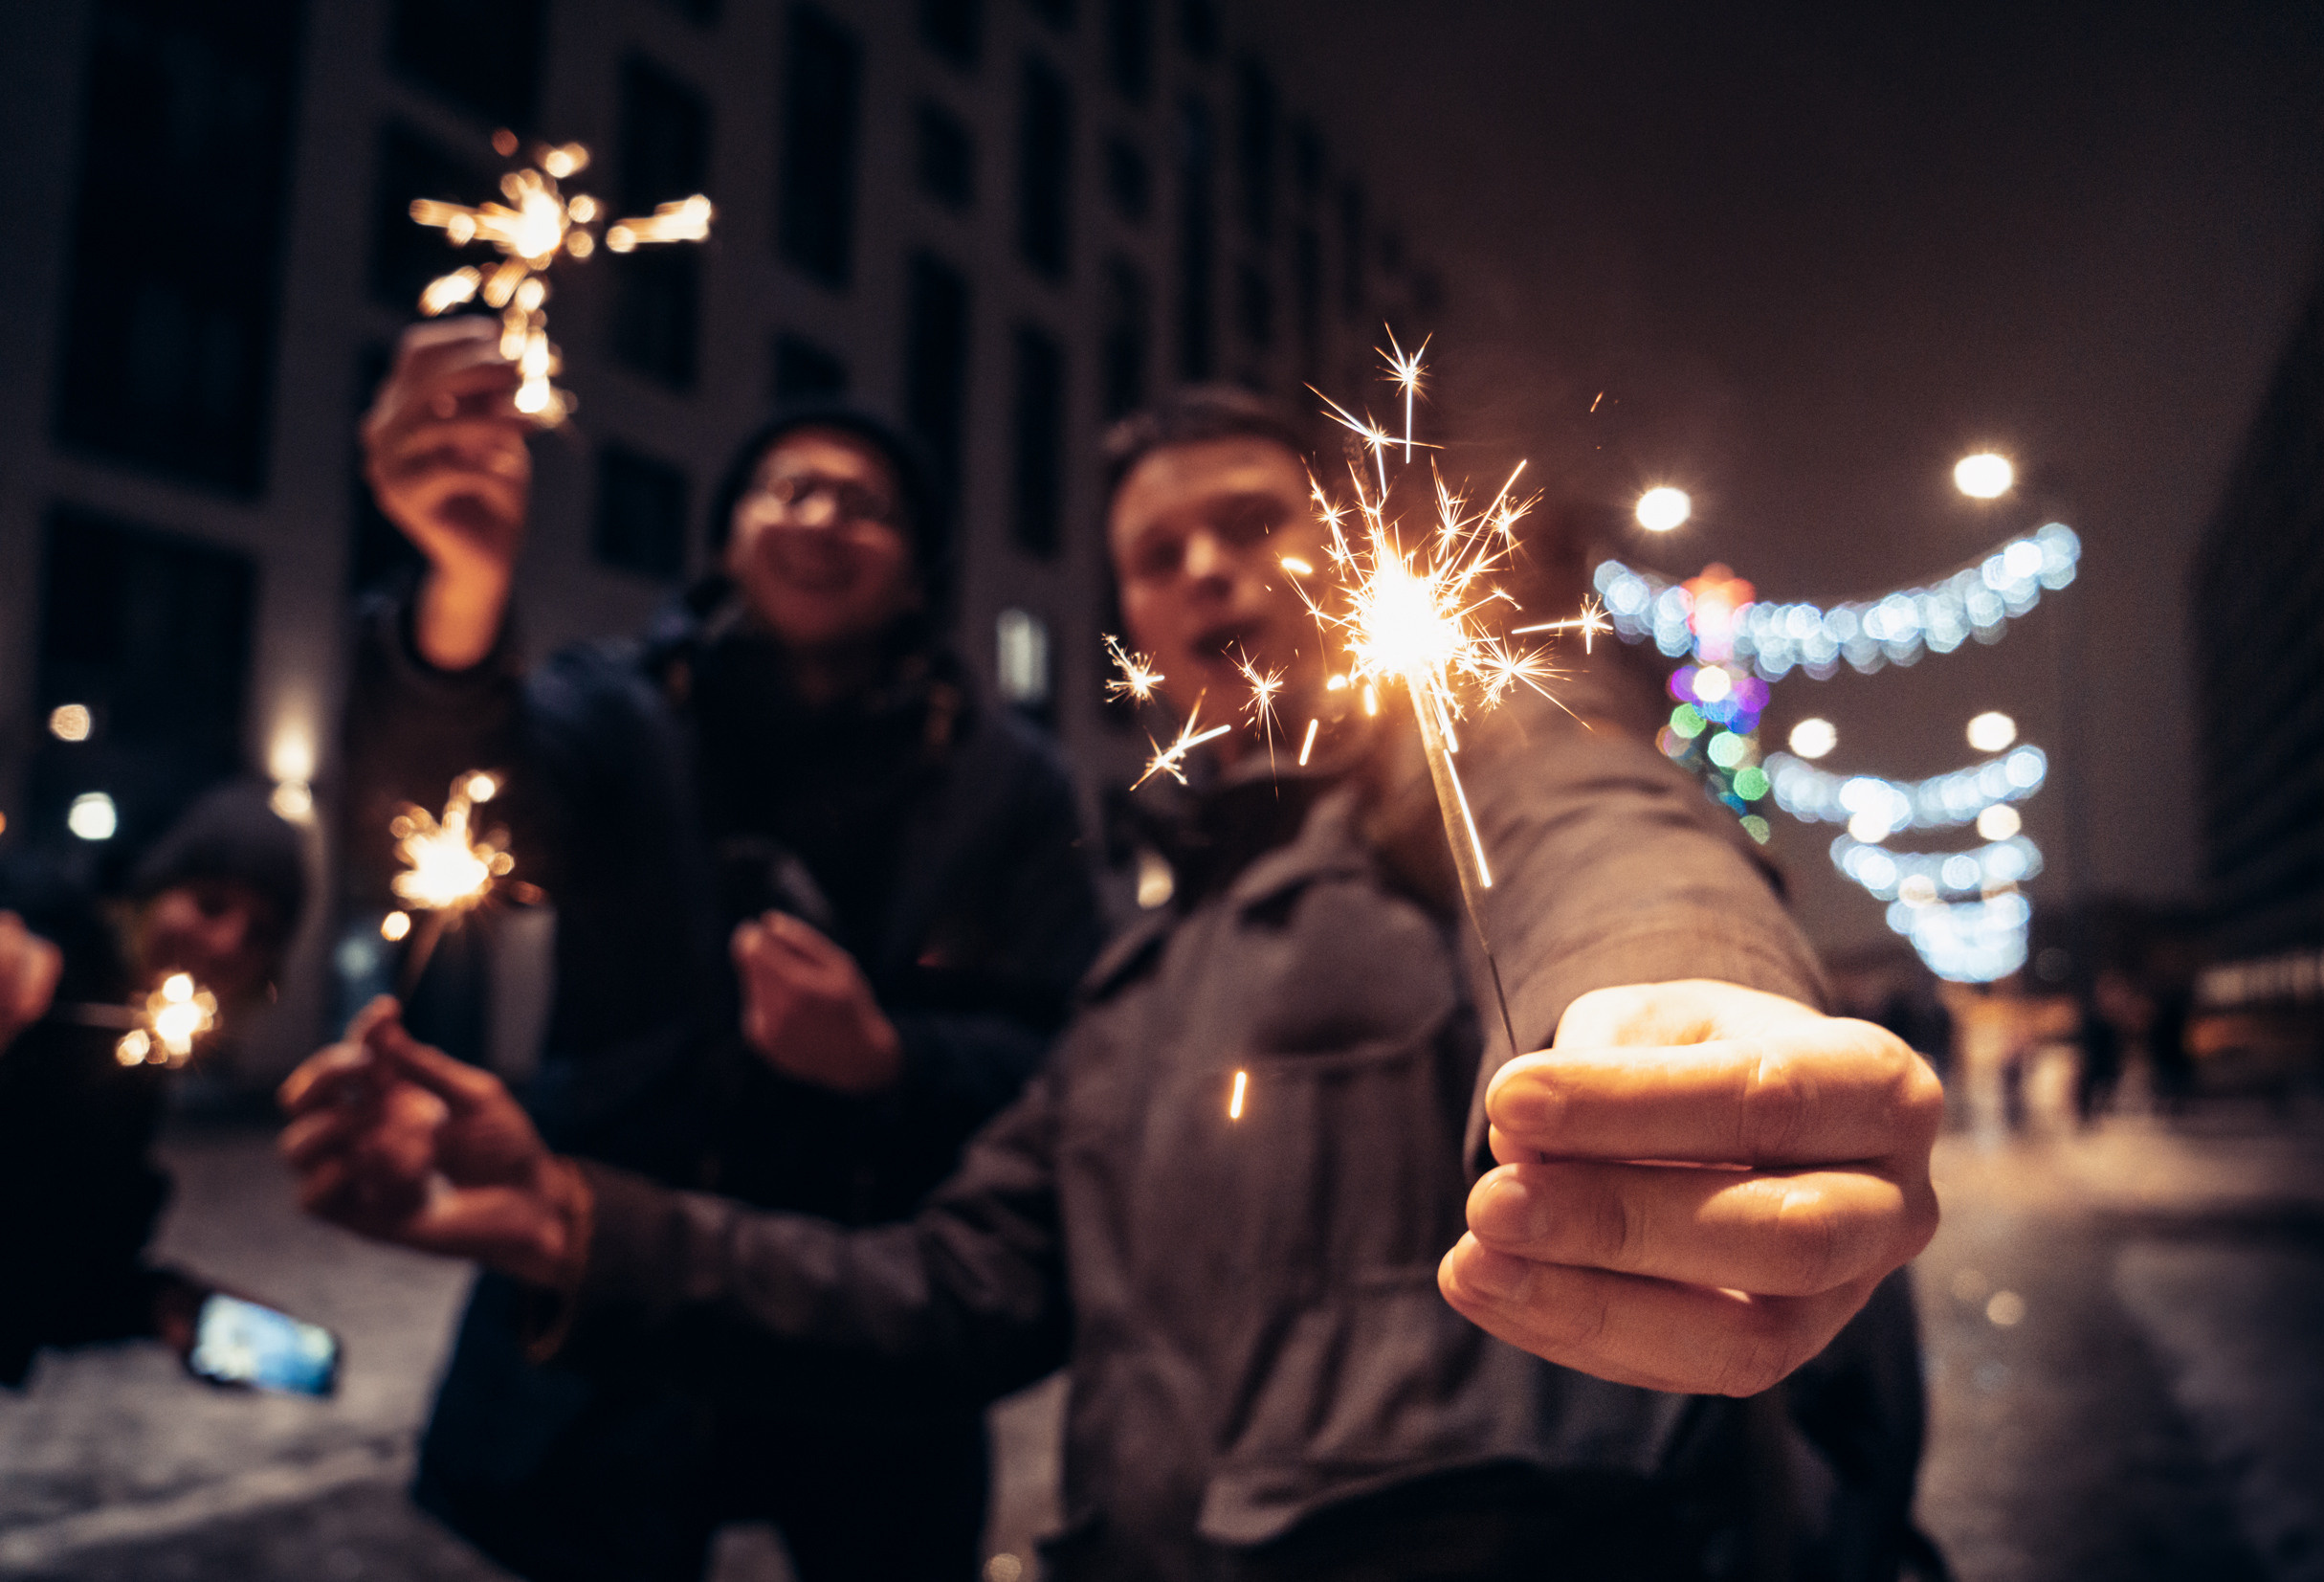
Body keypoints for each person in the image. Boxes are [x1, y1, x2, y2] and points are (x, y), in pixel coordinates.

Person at [291, 388, 1942, 1580]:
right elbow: (949, 1287)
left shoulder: (1459, 784)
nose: (1207, 568)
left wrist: (1672, 1006)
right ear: (1135, 625)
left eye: (1254, 524)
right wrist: (563, 1219)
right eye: (1158, 554)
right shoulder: (1135, 973)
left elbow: (1601, 837)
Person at [337, 317, 1104, 1582]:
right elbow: (454, 807)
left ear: (919, 572)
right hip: (612, 1295)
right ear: (728, 538)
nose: (819, 517)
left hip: (872, 1325)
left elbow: (1059, 1050)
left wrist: (887, 1058)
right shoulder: (619, 706)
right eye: (785, 488)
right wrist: (462, 591)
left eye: (864, 504)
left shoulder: (1005, 778)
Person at [2, 781, 307, 1384]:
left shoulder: (132, 1077)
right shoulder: (48, 952)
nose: (227, 944)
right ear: (152, 892)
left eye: (259, 935)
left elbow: (38, 1279)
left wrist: (161, 1308)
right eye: (211, 904)